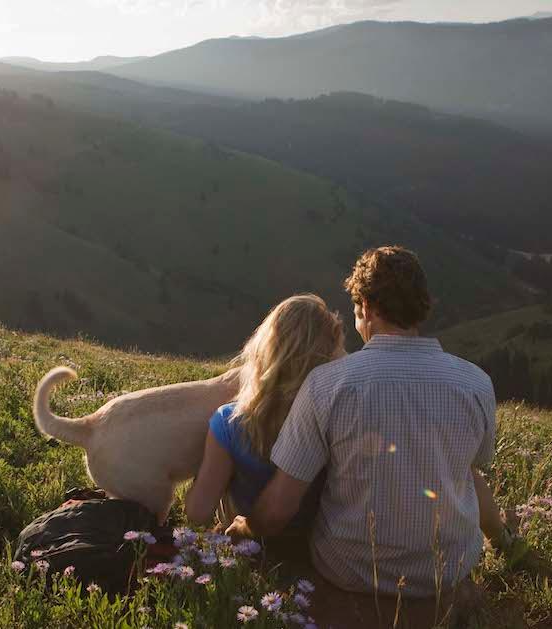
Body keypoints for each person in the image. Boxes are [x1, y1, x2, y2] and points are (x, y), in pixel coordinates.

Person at [227, 246, 505, 628]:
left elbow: (280, 507)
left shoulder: (327, 386)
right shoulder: (476, 384)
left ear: (367, 307)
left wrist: (244, 526)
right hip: (446, 577)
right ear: (421, 307)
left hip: (350, 579)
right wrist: (503, 538)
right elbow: (473, 473)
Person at [185, 294, 343, 532]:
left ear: (265, 347)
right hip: (313, 544)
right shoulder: (336, 418)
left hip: (245, 539)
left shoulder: (229, 421)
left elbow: (198, 512)